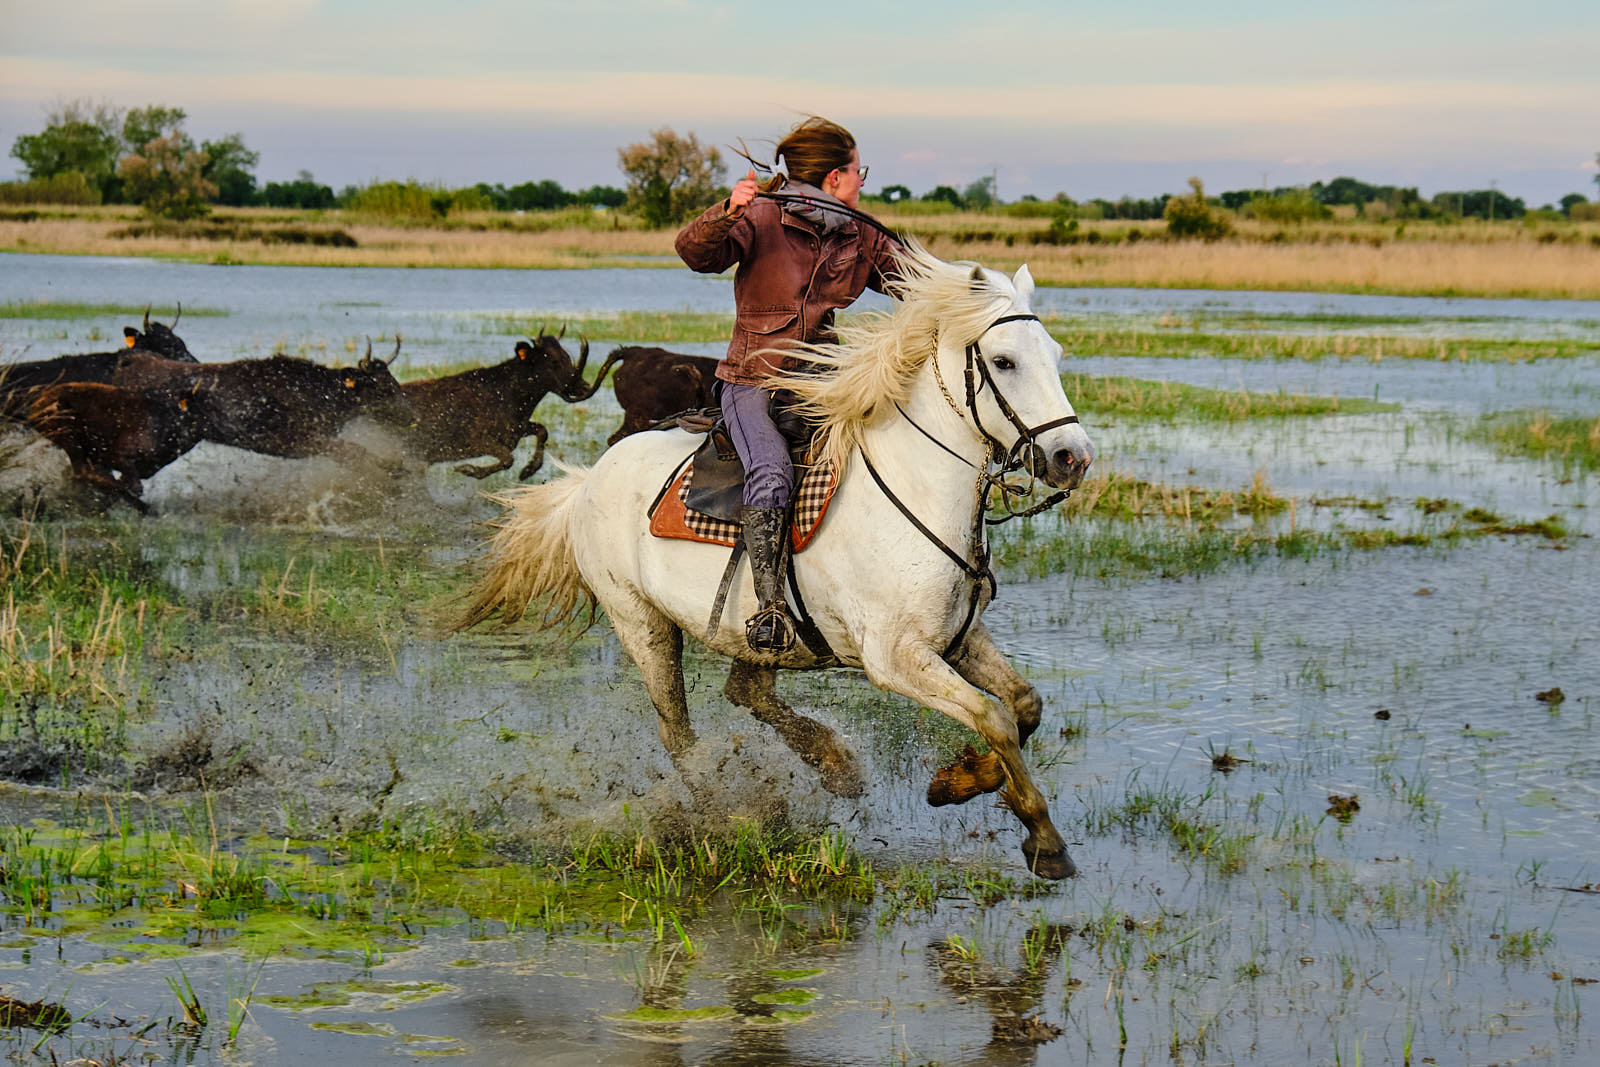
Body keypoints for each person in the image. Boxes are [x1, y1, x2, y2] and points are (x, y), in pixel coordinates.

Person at [676, 115, 901, 654]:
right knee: (773, 471)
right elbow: (694, 253)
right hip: (752, 379)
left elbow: (912, 279)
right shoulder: (758, 218)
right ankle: (770, 608)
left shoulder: (861, 234)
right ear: (833, 179)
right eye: (856, 171)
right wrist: (727, 211)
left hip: (824, 381)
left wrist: (971, 290)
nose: (862, 182)